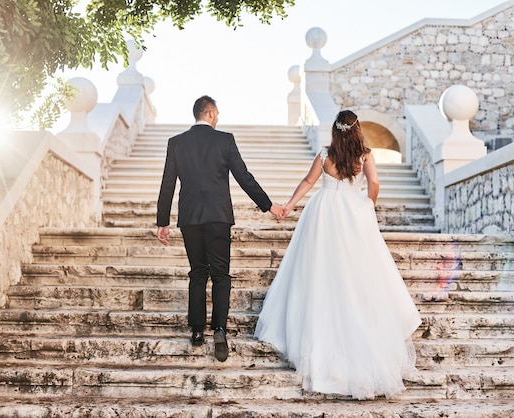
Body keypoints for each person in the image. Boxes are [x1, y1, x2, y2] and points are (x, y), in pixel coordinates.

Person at [254, 109, 421, 399]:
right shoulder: (365, 155)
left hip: (323, 212)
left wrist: (289, 206)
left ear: (335, 129)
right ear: (357, 129)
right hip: (352, 214)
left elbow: (308, 182)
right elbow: (375, 184)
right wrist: (367, 206)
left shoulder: (324, 155)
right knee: (356, 275)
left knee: (319, 271)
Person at [156, 95, 284, 362]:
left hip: (190, 218)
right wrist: (269, 206)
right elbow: (244, 177)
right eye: (218, 114)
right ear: (211, 113)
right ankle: (220, 329)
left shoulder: (176, 143)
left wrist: (162, 222)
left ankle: (196, 331)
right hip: (218, 217)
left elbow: (167, 183)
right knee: (221, 274)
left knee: (198, 272)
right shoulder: (224, 140)